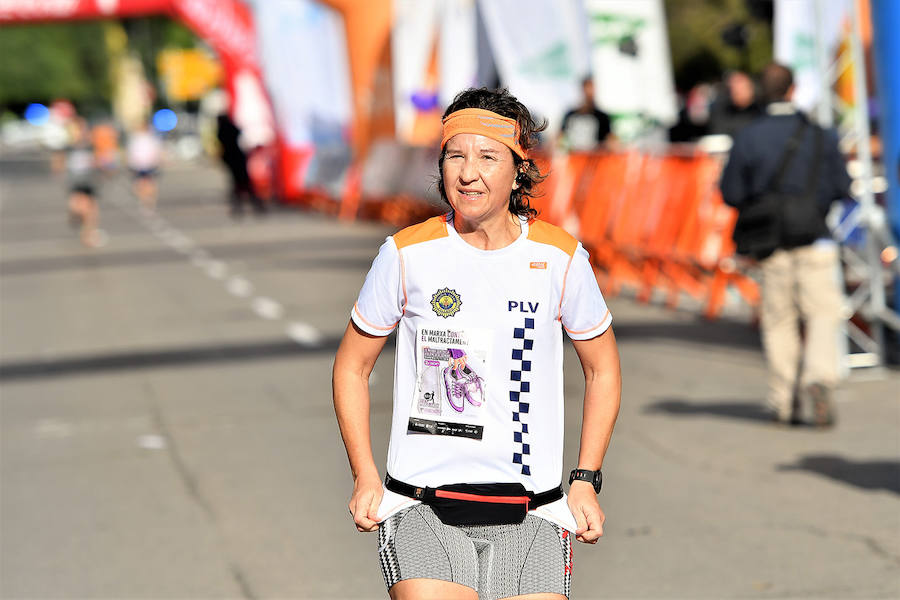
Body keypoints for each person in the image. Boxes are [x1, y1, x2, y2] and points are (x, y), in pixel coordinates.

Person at [333, 87, 622, 600]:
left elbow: (602, 369)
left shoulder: (560, 257)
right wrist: (364, 474)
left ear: (518, 170)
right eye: (455, 155)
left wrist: (586, 477)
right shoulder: (406, 254)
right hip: (422, 505)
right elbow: (353, 366)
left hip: (534, 511)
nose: (468, 172)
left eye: (488, 156)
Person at [720, 63, 851, 427]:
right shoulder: (821, 135)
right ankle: (819, 378)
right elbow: (842, 185)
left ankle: (784, 397)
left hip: (770, 241)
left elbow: (731, 192)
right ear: (793, 90)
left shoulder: (749, 136)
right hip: (815, 236)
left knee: (779, 319)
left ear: (764, 91)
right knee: (823, 312)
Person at [216, 111, 266, 218]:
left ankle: (243, 208)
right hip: (238, 159)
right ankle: (255, 207)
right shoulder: (230, 129)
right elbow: (240, 134)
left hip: (233, 160)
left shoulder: (221, 130)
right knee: (245, 186)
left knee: (240, 186)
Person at [66, 118, 104, 248]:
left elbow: (99, 160)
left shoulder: (91, 145)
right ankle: (77, 217)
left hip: (89, 180)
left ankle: (88, 235)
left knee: (91, 210)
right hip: (76, 181)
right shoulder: (70, 146)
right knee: (80, 207)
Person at [559, 77, 612, 151]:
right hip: (574, 158)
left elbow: (610, 141)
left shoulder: (602, 117)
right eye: (586, 90)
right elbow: (560, 138)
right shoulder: (570, 115)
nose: (588, 94)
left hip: (595, 159)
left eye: (591, 90)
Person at [708, 70, 762, 139]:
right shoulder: (722, 112)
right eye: (732, 87)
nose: (735, 91)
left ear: (751, 88)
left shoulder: (760, 112)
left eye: (741, 88)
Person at [126, 121, 163, 213]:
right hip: (138, 164)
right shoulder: (135, 138)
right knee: (139, 185)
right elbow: (131, 151)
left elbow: (156, 150)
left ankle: (150, 202)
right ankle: (143, 201)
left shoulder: (152, 138)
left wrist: (157, 160)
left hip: (149, 163)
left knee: (150, 183)